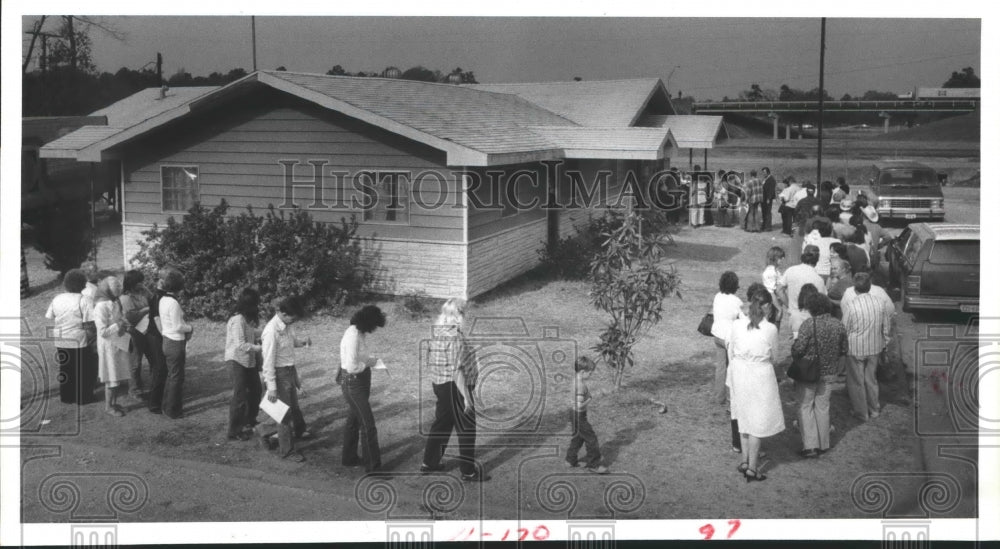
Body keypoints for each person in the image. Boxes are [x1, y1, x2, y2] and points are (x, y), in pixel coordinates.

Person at [421, 298, 489, 481]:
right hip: (455, 387)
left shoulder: (438, 332)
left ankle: (429, 462)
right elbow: (457, 370)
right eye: (463, 313)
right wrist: (466, 397)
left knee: (442, 425)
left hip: (440, 385)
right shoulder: (455, 337)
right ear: (458, 315)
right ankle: (468, 471)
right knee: (467, 429)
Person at [726, 291, 784, 482]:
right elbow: (775, 357)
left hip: (739, 372)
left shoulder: (737, 324)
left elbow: (731, 350)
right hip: (759, 374)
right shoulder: (770, 329)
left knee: (743, 416)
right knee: (757, 420)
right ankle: (752, 467)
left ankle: (745, 461)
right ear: (767, 307)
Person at [791, 293, 848, 457]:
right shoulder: (838, 325)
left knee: (805, 406)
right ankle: (823, 444)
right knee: (823, 407)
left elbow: (799, 349)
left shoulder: (809, 325)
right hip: (829, 373)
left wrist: (794, 348)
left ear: (812, 308)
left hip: (809, 373)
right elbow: (844, 349)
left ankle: (810, 446)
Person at [261, 296, 313, 461]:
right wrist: (272, 387)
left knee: (294, 407)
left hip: (290, 370)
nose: (294, 321)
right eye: (292, 317)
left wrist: (302, 342)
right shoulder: (271, 331)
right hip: (279, 374)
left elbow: (291, 342)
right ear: (282, 313)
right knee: (283, 414)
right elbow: (268, 361)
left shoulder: (288, 325)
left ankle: (298, 431)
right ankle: (286, 450)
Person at [339, 304, 387, 473]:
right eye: (374, 326)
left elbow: (359, 357)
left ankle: (349, 457)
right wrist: (368, 363)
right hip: (353, 383)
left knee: (354, 420)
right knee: (368, 426)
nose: (373, 330)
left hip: (359, 381)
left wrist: (369, 360)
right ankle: (373, 468)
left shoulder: (359, 333)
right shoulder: (352, 336)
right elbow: (352, 366)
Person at [842, 273, 892, 422]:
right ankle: (874, 409)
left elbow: (844, 329)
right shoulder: (880, 303)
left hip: (855, 349)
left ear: (855, 288)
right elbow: (886, 327)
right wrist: (885, 345)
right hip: (874, 347)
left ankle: (861, 412)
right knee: (871, 379)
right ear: (869, 287)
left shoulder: (851, 306)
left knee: (857, 381)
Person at [45, 269, 93, 404]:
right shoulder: (85, 300)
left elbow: (50, 316)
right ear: (83, 284)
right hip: (78, 339)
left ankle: (66, 396)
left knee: (65, 368)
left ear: (66, 283)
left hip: (61, 338)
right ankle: (83, 398)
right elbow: (89, 322)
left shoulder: (57, 298)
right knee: (83, 369)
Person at [226, 288, 264, 441]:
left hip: (248, 360)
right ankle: (234, 431)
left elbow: (252, 334)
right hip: (236, 360)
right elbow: (240, 344)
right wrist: (258, 348)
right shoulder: (237, 320)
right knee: (240, 395)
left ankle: (250, 420)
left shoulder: (247, 319)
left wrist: (265, 333)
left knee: (256, 390)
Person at [93, 276, 132, 417]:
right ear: (107, 290)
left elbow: (117, 318)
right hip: (108, 346)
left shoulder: (114, 302)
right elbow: (102, 331)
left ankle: (114, 403)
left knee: (118, 375)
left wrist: (124, 322)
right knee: (111, 377)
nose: (117, 293)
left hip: (118, 343)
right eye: (115, 290)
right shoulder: (100, 306)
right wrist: (118, 325)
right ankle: (108, 407)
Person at [565, 356, 610, 474]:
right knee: (591, 439)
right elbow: (579, 404)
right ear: (582, 371)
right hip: (579, 415)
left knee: (578, 437)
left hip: (573, 414)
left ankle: (570, 460)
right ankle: (593, 465)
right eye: (590, 373)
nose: (591, 375)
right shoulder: (580, 386)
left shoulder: (575, 380)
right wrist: (589, 399)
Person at [159, 269, 193, 419]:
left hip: (167, 340)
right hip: (175, 342)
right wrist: (190, 328)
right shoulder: (173, 303)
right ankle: (172, 410)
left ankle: (166, 406)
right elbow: (178, 326)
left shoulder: (163, 299)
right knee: (177, 377)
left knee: (172, 375)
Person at [710, 272, 743, 407]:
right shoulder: (736, 301)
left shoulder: (717, 296)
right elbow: (744, 319)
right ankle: (732, 399)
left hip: (717, 335)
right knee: (733, 368)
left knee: (721, 368)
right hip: (729, 338)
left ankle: (719, 397)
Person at [120, 270, 152, 400]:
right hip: (134, 332)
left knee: (153, 357)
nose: (142, 284)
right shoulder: (125, 298)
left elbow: (154, 301)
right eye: (139, 282)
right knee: (135, 362)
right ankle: (135, 390)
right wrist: (146, 309)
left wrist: (147, 291)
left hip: (147, 330)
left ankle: (155, 384)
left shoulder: (143, 292)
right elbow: (132, 317)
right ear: (132, 283)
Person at [783, 245, 827, 339]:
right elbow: (822, 301)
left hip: (794, 316)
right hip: (810, 318)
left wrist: (789, 305)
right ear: (817, 259)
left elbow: (779, 290)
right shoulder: (818, 279)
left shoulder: (791, 270)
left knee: (797, 342)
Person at [146, 267, 171, 415]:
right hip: (156, 335)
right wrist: (165, 335)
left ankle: (157, 399)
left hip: (157, 334)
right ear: (162, 281)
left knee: (161, 368)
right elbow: (157, 319)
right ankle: (154, 403)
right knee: (160, 369)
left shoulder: (161, 295)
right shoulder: (158, 296)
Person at [761, 246, 788, 327]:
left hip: (776, 303)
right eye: (780, 257)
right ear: (775, 258)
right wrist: (779, 308)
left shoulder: (775, 271)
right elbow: (771, 293)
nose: (782, 259)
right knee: (773, 326)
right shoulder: (770, 272)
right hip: (772, 305)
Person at [761, 167, 777, 231]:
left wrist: (768, 198)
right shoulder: (765, 179)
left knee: (767, 212)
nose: (763, 174)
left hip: (767, 199)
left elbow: (771, 190)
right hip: (763, 198)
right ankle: (764, 225)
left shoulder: (771, 179)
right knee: (764, 212)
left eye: (764, 172)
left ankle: (768, 227)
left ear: (768, 172)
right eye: (762, 172)